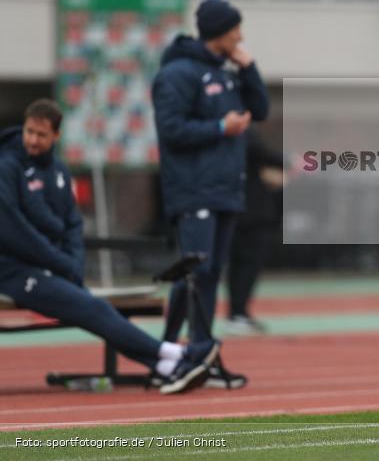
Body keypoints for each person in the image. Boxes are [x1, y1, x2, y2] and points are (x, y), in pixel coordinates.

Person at [0, 100, 219, 395]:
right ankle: (176, 354)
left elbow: (72, 225)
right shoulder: (7, 166)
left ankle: (166, 366)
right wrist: (63, 265)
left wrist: (73, 265)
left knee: (95, 310)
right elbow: (15, 232)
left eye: (41, 134)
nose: (33, 140)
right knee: (91, 307)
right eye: (29, 132)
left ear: (56, 137)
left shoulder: (59, 171)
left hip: (50, 268)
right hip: (14, 271)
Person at [152, 0, 269, 389]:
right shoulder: (177, 74)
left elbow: (261, 108)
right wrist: (220, 128)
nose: (241, 35)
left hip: (224, 190)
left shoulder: (227, 69)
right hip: (193, 190)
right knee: (194, 272)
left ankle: (194, 353)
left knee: (209, 274)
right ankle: (175, 351)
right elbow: (171, 130)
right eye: (235, 28)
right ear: (220, 31)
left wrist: (249, 68)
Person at [225, 128, 285, 335]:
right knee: (245, 264)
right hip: (249, 212)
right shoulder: (237, 130)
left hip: (239, 209)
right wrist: (290, 161)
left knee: (240, 265)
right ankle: (237, 313)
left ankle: (238, 313)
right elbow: (263, 154)